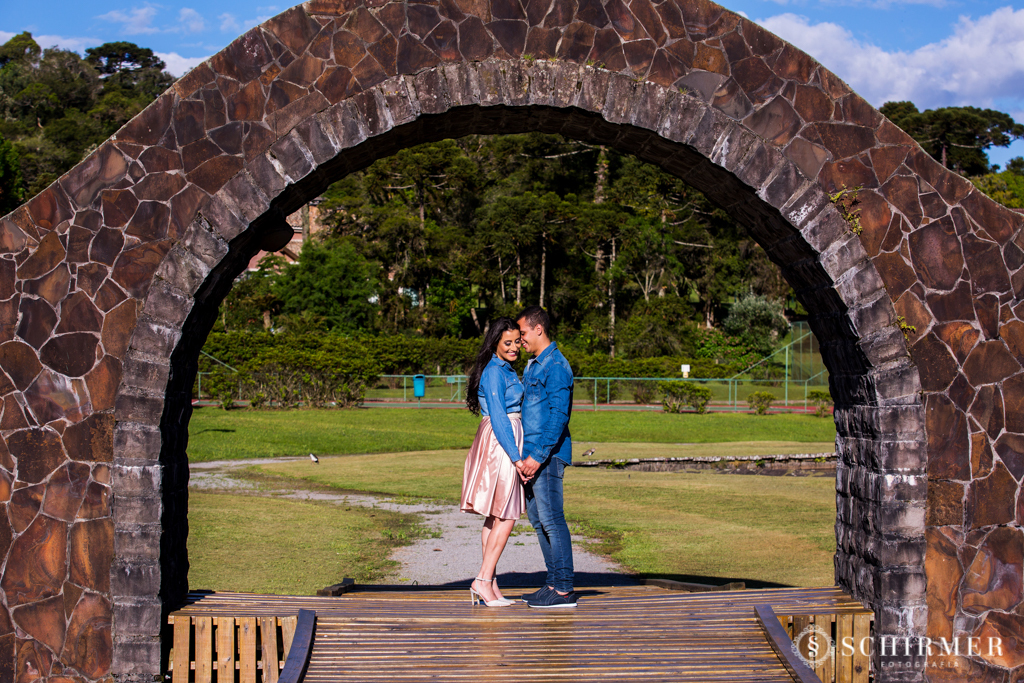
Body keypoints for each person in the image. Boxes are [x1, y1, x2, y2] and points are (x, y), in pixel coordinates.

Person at [461, 317, 527, 607]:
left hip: (501, 438)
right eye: (508, 343)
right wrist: (516, 457)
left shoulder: (504, 369)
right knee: (507, 513)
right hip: (502, 441)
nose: (514, 348)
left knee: (495, 515)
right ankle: (483, 580)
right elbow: (499, 416)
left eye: (516, 342)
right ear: (495, 343)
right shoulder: (494, 372)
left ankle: (490, 584)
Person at [515, 306, 577, 608]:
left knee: (553, 520)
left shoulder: (556, 366)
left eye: (523, 333)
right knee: (539, 521)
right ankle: (553, 582)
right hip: (532, 457)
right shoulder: (533, 366)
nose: (520, 339)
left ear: (538, 328)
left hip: (548, 457)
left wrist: (538, 457)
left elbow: (558, 416)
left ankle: (565, 590)